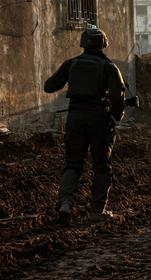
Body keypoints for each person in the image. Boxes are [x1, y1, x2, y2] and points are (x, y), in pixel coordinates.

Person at [44, 27, 125, 225]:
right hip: (99, 120)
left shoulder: (71, 64)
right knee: (101, 167)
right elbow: (118, 99)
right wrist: (115, 117)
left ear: (83, 43)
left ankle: (65, 205)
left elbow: (49, 86)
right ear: (103, 44)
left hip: (75, 118)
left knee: (72, 164)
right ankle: (97, 211)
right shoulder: (109, 68)